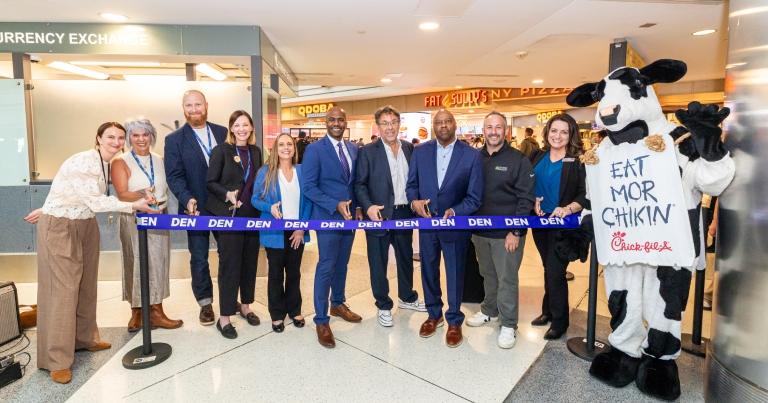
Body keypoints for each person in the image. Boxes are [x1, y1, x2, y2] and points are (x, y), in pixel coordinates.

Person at [23, 122, 157, 384]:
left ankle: (85, 339)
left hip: (84, 224)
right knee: (62, 291)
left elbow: (72, 192)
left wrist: (50, 205)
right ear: (98, 138)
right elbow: (95, 200)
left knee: (85, 286)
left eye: (120, 138)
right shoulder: (85, 160)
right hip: (61, 226)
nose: (116, 142)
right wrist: (134, 206)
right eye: (110, 137)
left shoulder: (104, 162)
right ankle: (57, 360)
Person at [406, 109, 484, 348]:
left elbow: (474, 197)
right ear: (433, 126)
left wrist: (456, 211)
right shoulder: (420, 153)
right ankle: (433, 314)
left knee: (455, 272)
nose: (442, 126)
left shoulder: (471, 156)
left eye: (447, 121)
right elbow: (412, 186)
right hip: (427, 224)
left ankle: (454, 319)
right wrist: (414, 202)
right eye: (438, 122)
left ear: (454, 125)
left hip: (454, 226)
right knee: (428, 270)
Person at [466, 112, 535, 349]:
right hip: (480, 232)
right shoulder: (475, 158)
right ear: (483, 130)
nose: (493, 131)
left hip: (507, 235)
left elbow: (525, 198)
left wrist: (515, 231)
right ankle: (489, 310)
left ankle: (508, 324)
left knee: (507, 279)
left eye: (498, 127)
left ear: (505, 131)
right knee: (488, 274)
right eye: (489, 127)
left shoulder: (518, 160)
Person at [355, 105, 426, 328]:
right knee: (378, 262)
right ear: (378, 126)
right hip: (378, 214)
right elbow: (359, 184)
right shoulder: (368, 151)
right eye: (385, 123)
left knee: (405, 258)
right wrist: (367, 207)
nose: (390, 127)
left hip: (404, 212)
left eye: (393, 122)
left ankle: (407, 297)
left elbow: (415, 180)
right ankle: (383, 305)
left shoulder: (409, 149)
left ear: (399, 124)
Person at [112, 118, 182, 333]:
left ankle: (157, 311)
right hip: (134, 216)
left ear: (152, 136)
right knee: (135, 261)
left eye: (145, 134)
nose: (141, 139)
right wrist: (142, 193)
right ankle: (137, 312)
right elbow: (122, 193)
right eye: (135, 135)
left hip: (159, 216)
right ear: (129, 138)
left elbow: (169, 187)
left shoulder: (160, 160)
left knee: (158, 263)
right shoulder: (120, 161)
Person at [164, 90, 228, 326]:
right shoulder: (174, 140)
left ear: (206, 105)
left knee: (228, 255)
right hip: (196, 208)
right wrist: (186, 198)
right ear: (183, 109)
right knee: (199, 258)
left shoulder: (223, 132)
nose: (194, 109)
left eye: (197, 104)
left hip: (224, 208)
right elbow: (174, 176)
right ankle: (205, 304)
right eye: (189, 105)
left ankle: (229, 301)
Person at [302, 106, 363, 348]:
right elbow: (308, 186)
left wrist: (356, 207)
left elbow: (355, 183)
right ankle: (321, 319)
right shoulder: (314, 150)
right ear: (325, 123)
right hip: (327, 216)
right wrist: (334, 205)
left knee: (342, 263)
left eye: (340, 119)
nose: (336, 123)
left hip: (348, 218)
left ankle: (337, 303)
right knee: (326, 264)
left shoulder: (353, 149)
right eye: (332, 120)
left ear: (345, 122)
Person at [206, 110, 263, 339]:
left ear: (251, 128)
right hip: (229, 216)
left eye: (245, 125)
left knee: (249, 263)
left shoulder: (256, 152)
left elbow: (259, 181)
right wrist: (226, 194)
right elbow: (210, 182)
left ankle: (246, 306)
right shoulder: (221, 151)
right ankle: (225, 317)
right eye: (237, 125)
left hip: (251, 216)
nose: (242, 129)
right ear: (231, 128)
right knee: (229, 267)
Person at [529, 113, 586, 340]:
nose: (558, 136)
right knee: (547, 269)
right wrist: (533, 200)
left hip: (563, 226)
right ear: (547, 132)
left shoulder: (577, 161)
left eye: (564, 132)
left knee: (555, 272)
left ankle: (560, 321)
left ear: (571, 134)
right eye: (554, 130)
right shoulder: (537, 155)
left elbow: (585, 195)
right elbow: (529, 183)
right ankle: (548, 312)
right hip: (539, 224)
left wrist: (568, 208)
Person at [252, 133, 312, 333]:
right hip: (274, 232)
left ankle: (295, 310)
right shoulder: (266, 172)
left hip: (297, 232)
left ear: (294, 148)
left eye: (289, 144)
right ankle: (277, 314)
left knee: (294, 273)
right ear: (275, 149)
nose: (286, 147)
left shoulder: (302, 171)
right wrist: (269, 208)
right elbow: (255, 199)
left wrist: (301, 228)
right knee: (276, 274)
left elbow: (308, 202)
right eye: (281, 144)